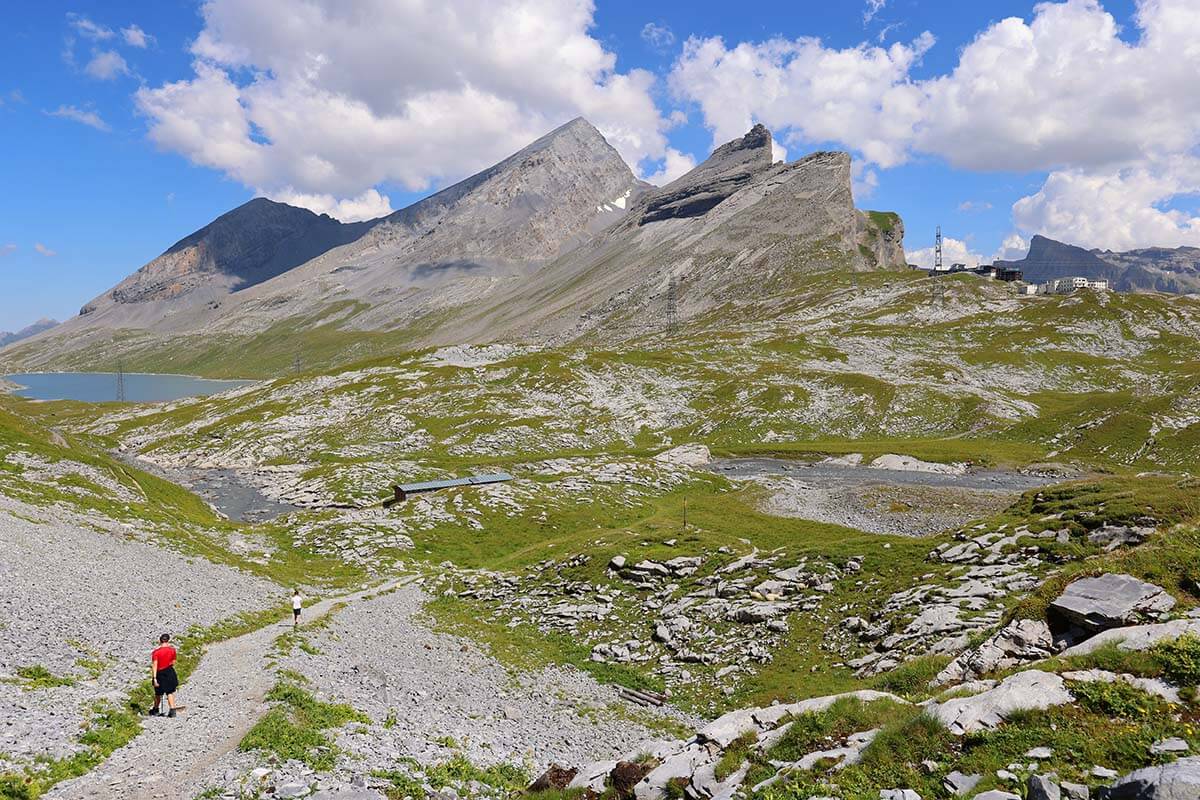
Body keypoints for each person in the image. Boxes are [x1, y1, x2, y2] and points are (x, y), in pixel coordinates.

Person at [149, 633, 178, 718]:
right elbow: (173, 662)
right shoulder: (172, 650)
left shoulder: (156, 652)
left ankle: (155, 709)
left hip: (159, 673)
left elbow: (155, 665)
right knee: (170, 692)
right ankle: (172, 710)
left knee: (158, 693)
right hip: (170, 671)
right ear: (168, 640)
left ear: (160, 641)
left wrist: (154, 678)